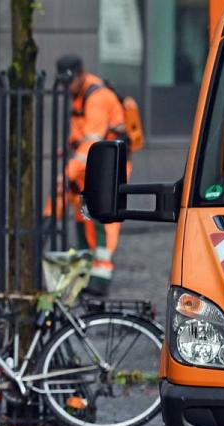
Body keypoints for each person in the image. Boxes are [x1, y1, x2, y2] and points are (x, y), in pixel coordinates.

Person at [57, 55, 132, 296]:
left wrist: (68, 171)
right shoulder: (80, 95)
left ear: (80, 75)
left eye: (70, 82)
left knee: (103, 219)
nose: (67, 88)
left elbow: (91, 142)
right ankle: (88, 273)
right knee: (84, 218)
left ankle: (100, 276)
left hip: (109, 165)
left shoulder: (97, 97)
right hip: (91, 165)